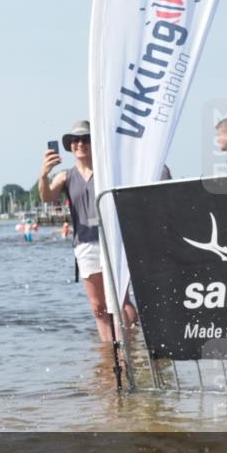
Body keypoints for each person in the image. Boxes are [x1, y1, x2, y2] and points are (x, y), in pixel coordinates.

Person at [39, 120, 137, 345]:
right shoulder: (65, 176)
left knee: (120, 301)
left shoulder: (108, 171)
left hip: (112, 240)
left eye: (85, 139)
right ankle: (109, 351)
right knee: (98, 307)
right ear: (70, 146)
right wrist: (44, 174)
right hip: (85, 243)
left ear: (95, 143)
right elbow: (46, 197)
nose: (80, 144)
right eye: (75, 140)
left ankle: (130, 347)